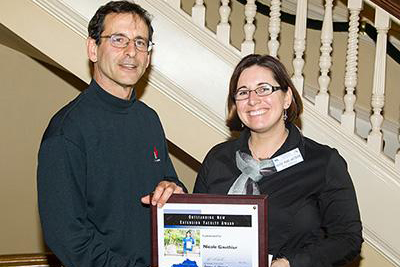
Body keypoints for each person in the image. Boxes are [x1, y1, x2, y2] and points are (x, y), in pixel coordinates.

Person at [37, 1, 186, 266]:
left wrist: (173, 188)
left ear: (148, 57)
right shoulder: (67, 131)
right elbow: (68, 238)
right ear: (93, 49)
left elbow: (170, 183)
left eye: (141, 42)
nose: (132, 51)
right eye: (119, 40)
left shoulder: (149, 119)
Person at [193, 54, 363, 267]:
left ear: (287, 98)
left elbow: (348, 239)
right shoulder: (218, 158)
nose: (253, 100)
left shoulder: (323, 162)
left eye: (264, 89)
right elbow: (195, 226)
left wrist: (291, 263)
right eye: (243, 92)